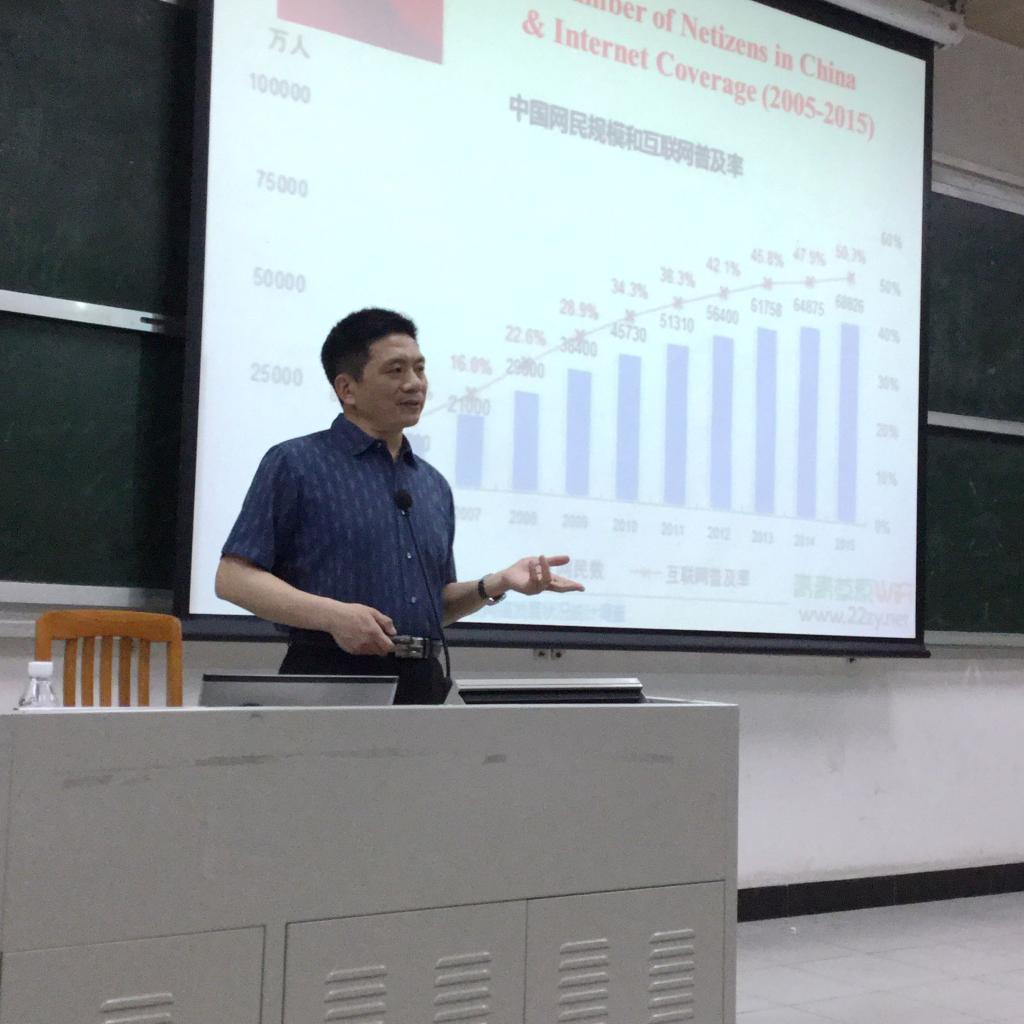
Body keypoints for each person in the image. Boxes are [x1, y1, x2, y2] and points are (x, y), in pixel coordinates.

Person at [216, 307, 583, 703]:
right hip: (330, 677)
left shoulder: (431, 484)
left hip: (423, 680)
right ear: (347, 389)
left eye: (420, 369)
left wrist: (496, 583)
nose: (414, 383)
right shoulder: (297, 463)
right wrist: (334, 616)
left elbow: (434, 605)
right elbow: (233, 579)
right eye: (395, 370)